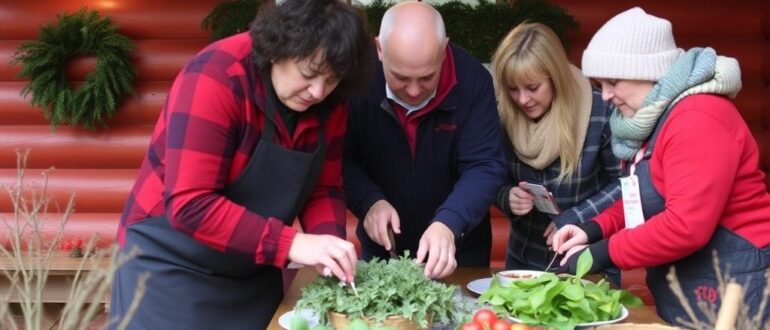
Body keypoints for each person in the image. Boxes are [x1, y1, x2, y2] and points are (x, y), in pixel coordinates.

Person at [109, 1, 371, 328]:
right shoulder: (216, 77)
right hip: (168, 266)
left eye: (332, 80)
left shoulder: (330, 100)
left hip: (251, 267)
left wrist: (329, 254)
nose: (318, 91)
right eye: (309, 74)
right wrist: (292, 244)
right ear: (278, 48)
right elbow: (190, 204)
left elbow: (324, 186)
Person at [551, 7, 770, 326]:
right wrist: (593, 228)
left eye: (613, 81)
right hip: (693, 281)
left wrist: (601, 252)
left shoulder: (698, 117)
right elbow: (647, 197)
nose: (607, 95)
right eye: (600, 84)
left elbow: (685, 226)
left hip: (733, 282)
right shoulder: (650, 119)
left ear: (649, 72)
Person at [343, 1, 506, 279]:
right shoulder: (355, 79)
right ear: (379, 49)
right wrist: (368, 201)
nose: (414, 90)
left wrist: (449, 222)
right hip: (383, 249)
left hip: (459, 249)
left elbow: (484, 164)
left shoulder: (473, 80)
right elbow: (342, 158)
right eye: (401, 78)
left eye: (427, 77)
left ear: (444, 51)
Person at [489, 23, 622, 282]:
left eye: (533, 87)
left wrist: (578, 217)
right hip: (521, 261)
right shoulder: (501, 112)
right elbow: (487, 172)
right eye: (513, 89)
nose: (522, 99)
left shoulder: (599, 110)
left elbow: (626, 183)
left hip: (587, 260)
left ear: (555, 77)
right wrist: (506, 196)